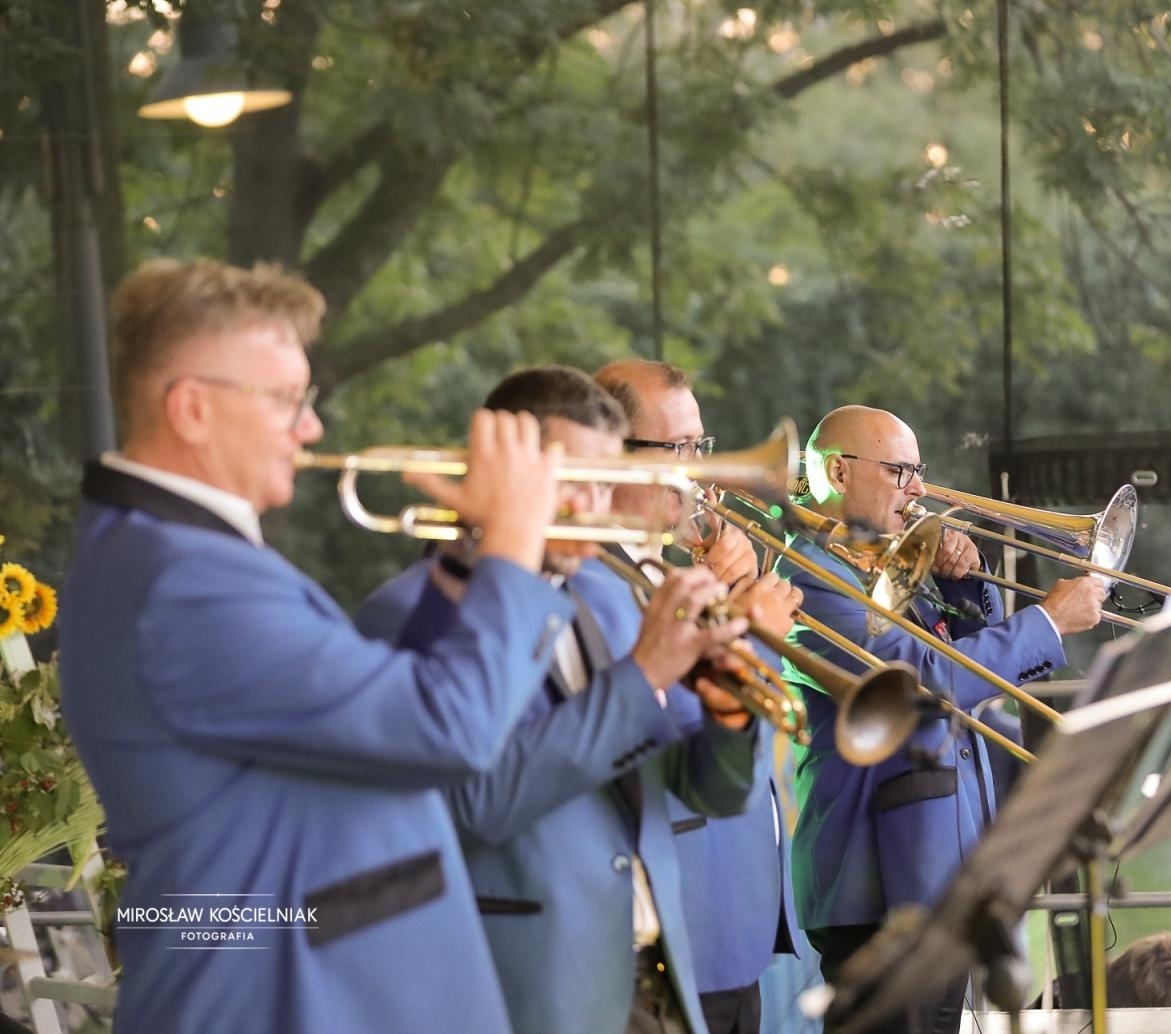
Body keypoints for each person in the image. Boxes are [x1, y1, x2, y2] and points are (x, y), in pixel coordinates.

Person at [57, 258, 568, 1034]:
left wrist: (471, 558)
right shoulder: (186, 582)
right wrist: (516, 544)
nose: (311, 427)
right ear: (192, 409)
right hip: (295, 999)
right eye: (288, 401)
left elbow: (383, 702)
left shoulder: (174, 555)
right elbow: (451, 730)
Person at [359, 365, 787, 1034]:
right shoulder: (405, 614)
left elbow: (705, 790)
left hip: (661, 979)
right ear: (510, 477)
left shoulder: (605, 598)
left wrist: (729, 713)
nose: (597, 502)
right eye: (573, 480)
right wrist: (643, 675)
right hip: (533, 990)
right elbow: (481, 803)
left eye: (602, 478)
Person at [778, 405, 1107, 1034]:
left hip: (933, 879)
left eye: (919, 472)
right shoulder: (811, 575)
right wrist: (1047, 622)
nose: (919, 490)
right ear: (839, 473)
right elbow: (918, 683)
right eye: (901, 471)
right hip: (877, 885)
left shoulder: (883, 558)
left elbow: (968, 666)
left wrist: (962, 580)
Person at [596, 359, 808, 1034]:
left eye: (701, 446)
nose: (701, 471)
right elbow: (655, 723)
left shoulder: (665, 568)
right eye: (679, 449)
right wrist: (743, 628)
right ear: (612, 453)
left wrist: (733, 612)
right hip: (678, 911)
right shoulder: (595, 578)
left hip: (731, 904)